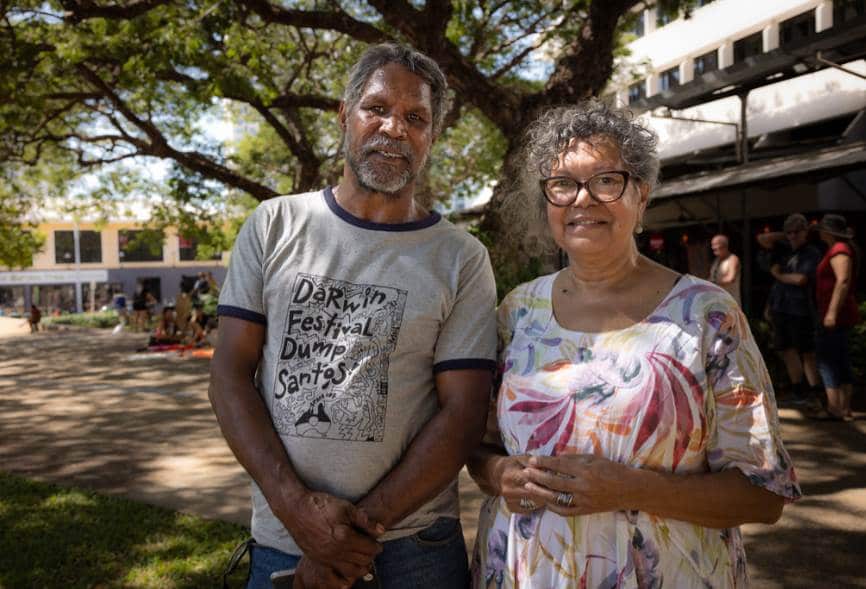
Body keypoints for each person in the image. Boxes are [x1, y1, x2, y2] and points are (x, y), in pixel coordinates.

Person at [468, 101, 800, 588]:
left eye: (606, 180)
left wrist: (632, 489)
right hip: (528, 573)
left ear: (641, 196)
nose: (583, 199)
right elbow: (479, 447)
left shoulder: (707, 315)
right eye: (563, 184)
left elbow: (763, 495)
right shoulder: (517, 312)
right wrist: (499, 473)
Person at [210, 43, 497, 589]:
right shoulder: (273, 225)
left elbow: (463, 412)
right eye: (377, 108)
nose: (394, 128)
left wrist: (346, 540)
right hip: (284, 542)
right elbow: (229, 374)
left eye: (416, 118)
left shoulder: (461, 258)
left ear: (432, 135)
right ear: (345, 115)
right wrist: (299, 513)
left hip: (415, 552)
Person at [757, 213, 823, 407]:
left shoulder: (811, 253)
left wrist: (778, 275)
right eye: (789, 232)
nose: (793, 235)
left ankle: (816, 393)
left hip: (800, 309)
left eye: (796, 232)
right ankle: (798, 390)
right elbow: (762, 239)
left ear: (805, 232)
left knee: (806, 352)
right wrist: (784, 235)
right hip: (781, 307)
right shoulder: (784, 250)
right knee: (786, 350)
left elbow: (801, 279)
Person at [814, 214, 860, 420]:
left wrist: (831, 313)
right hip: (836, 313)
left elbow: (843, 281)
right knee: (839, 358)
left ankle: (835, 407)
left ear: (829, 232)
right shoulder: (838, 248)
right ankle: (843, 408)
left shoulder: (839, 249)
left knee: (828, 360)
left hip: (836, 314)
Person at [709, 233, 741, 305]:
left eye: (715, 245)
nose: (713, 248)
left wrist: (713, 282)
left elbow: (731, 278)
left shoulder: (733, 259)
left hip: (730, 302)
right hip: (717, 301)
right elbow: (712, 277)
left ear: (724, 246)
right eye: (712, 245)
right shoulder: (716, 261)